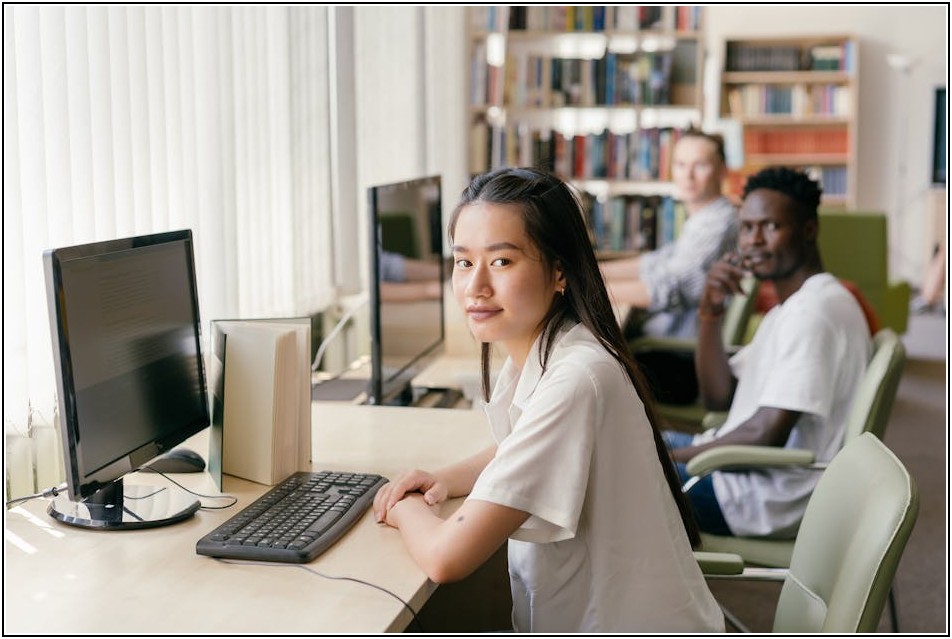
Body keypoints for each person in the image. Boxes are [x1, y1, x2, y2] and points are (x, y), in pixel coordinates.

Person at [372, 167, 723, 633]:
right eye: (463, 262)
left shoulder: (577, 378)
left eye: (501, 262)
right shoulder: (552, 350)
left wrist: (400, 505)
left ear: (560, 272)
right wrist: (443, 479)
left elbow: (445, 559)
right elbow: (523, 446)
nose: (475, 286)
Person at [665, 167, 872, 538]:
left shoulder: (812, 313)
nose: (753, 241)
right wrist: (710, 312)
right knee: (619, 443)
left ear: (809, 231)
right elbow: (718, 397)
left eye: (770, 227)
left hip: (763, 495)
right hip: (746, 474)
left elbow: (766, 434)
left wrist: (668, 461)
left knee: (612, 474)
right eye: (747, 228)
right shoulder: (790, 307)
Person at [601, 129, 738, 405]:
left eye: (700, 165)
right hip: (670, 350)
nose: (687, 175)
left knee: (586, 372)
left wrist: (587, 287)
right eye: (680, 165)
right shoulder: (704, 218)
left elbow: (669, 287)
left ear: (722, 171)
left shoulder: (717, 224)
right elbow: (657, 263)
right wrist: (592, 270)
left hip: (682, 361)